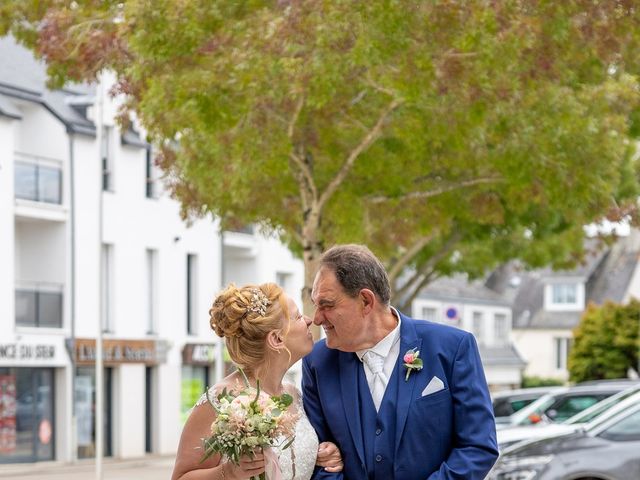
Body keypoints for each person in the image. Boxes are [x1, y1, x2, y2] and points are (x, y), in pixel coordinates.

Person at [302, 244, 499, 479]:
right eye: (316, 305)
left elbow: (477, 447)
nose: (316, 318)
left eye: (327, 305)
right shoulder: (317, 362)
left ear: (366, 301)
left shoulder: (451, 348)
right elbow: (317, 459)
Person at [172, 283, 343, 480]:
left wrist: (324, 454)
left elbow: (291, 459)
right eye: (297, 317)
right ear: (276, 339)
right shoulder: (220, 400)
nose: (309, 320)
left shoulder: (294, 395)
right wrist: (227, 473)